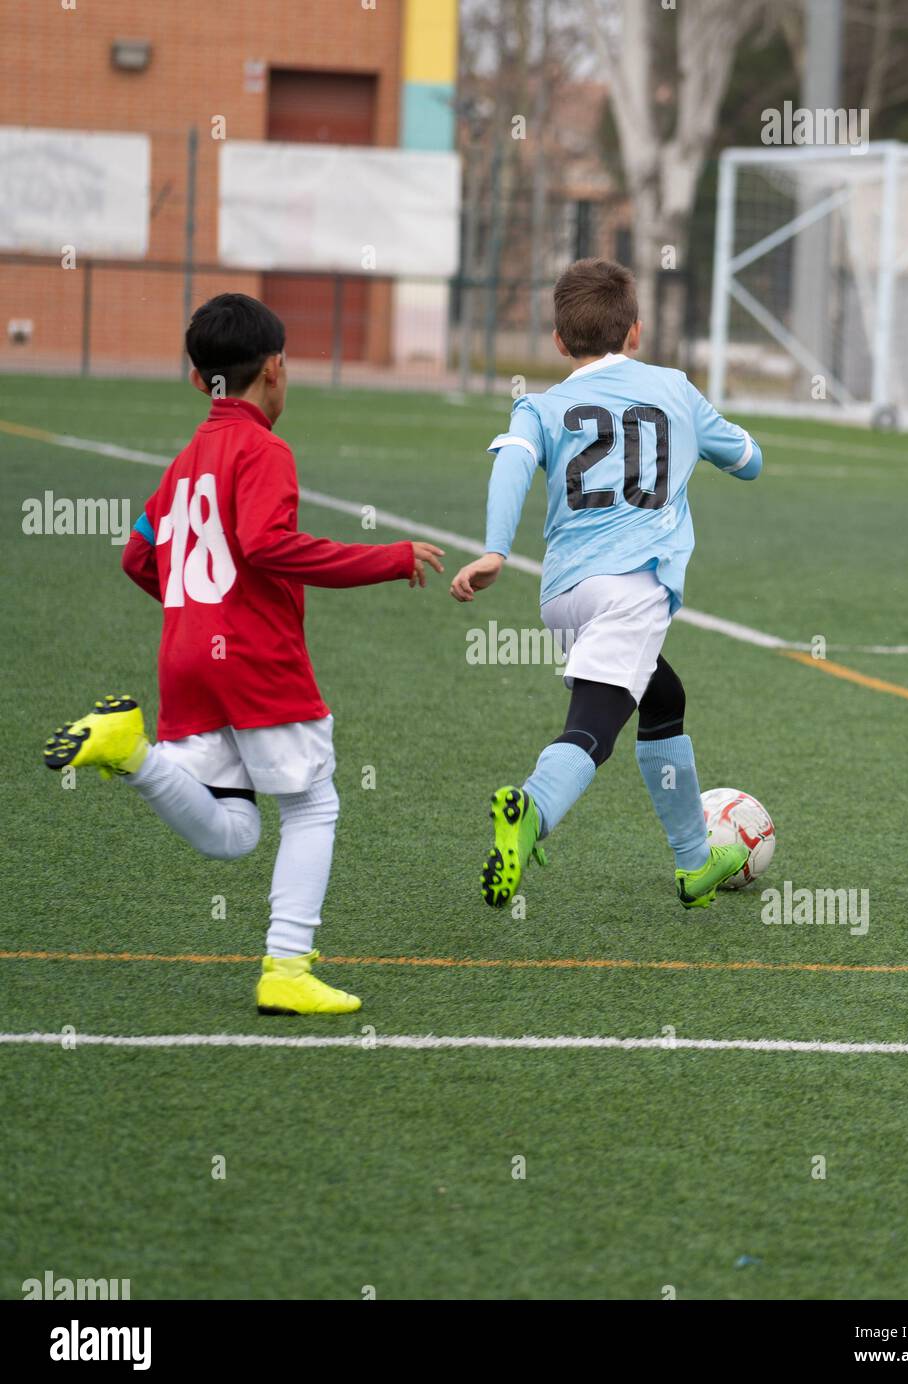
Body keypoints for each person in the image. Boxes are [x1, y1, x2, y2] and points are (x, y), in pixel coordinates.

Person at [43, 293, 444, 1014]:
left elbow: (139, 556)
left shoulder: (185, 461)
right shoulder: (263, 449)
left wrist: (196, 612)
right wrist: (387, 558)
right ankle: (287, 970)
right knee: (313, 806)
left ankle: (132, 753)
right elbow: (266, 544)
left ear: (200, 381)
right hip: (254, 659)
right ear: (275, 368)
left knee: (233, 832)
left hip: (189, 657)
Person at [450, 259, 762, 911]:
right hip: (631, 588)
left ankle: (693, 865)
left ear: (560, 343)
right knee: (593, 728)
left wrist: (493, 552)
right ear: (637, 332)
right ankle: (529, 811)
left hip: (563, 594)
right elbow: (748, 461)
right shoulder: (675, 389)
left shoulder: (538, 404)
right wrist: (716, 445)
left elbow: (511, 461)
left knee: (662, 695)